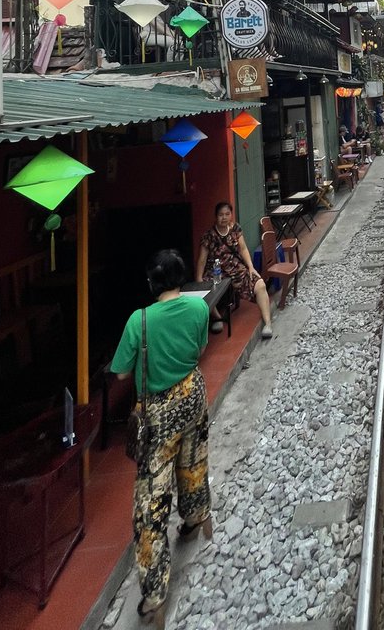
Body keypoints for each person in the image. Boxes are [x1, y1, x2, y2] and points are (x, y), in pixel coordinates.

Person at [111, 249, 212, 625]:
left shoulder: (139, 321)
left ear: (152, 282)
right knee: (194, 460)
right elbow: (200, 348)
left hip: (158, 412)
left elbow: (122, 373)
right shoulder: (198, 308)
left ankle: (155, 593)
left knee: (151, 499)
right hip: (193, 394)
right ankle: (196, 516)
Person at [197, 201, 273, 338]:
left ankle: (267, 323)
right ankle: (218, 318)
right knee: (204, 291)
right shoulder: (208, 236)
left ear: (231, 215)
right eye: (221, 215)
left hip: (236, 268)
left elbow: (243, 249)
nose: (224, 217)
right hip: (216, 271)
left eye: (227, 214)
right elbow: (202, 259)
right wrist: (198, 279)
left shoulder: (236, 229)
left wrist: (250, 267)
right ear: (216, 216)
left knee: (260, 284)